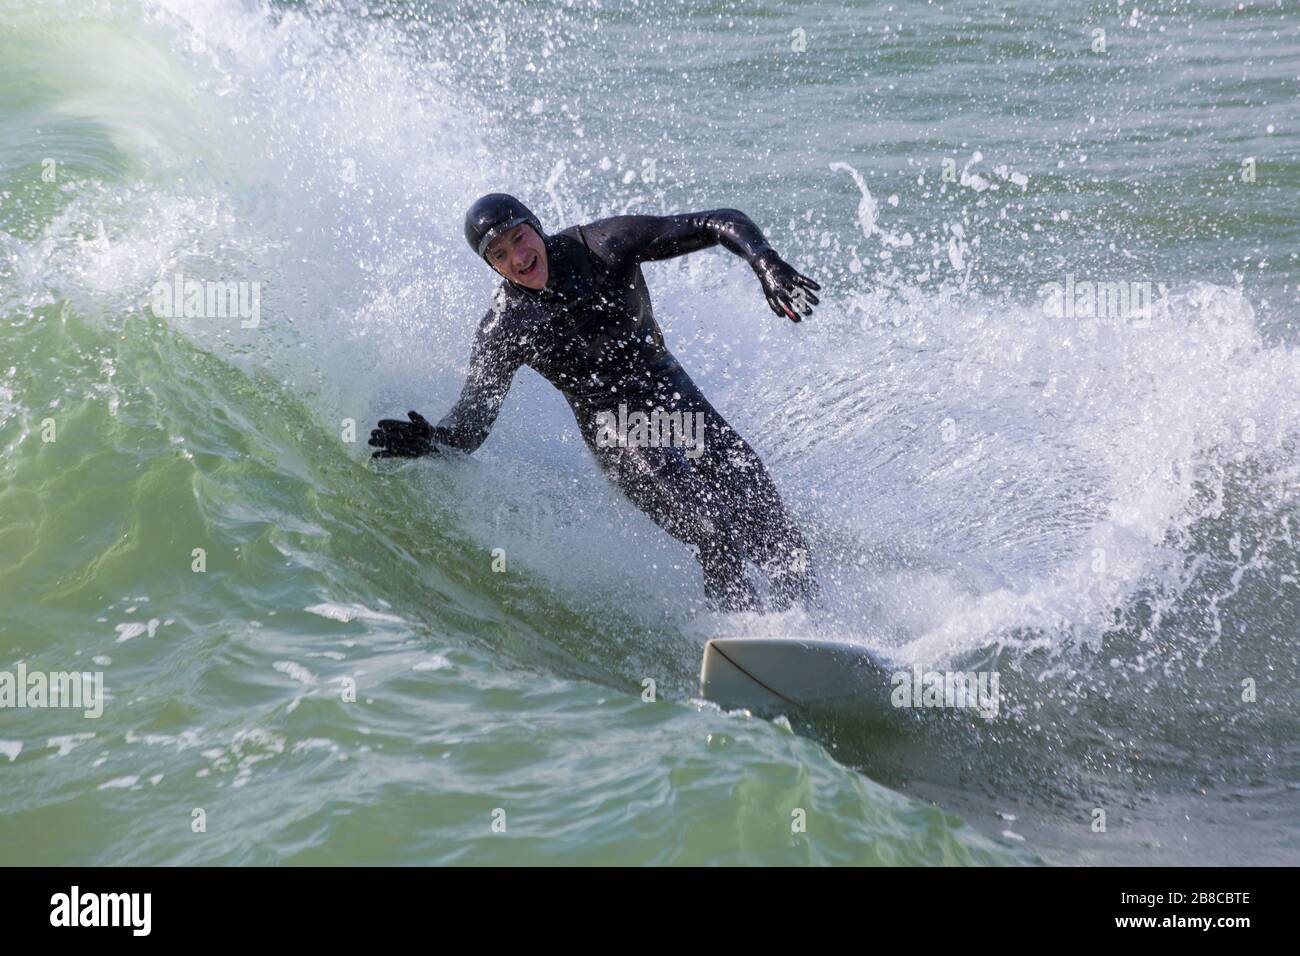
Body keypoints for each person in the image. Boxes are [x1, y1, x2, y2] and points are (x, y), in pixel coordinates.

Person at [370, 193, 820, 611]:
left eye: (519, 239)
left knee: (763, 511)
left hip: (668, 392)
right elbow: (471, 426)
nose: (519, 258)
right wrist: (433, 439)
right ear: (492, 266)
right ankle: (746, 631)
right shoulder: (505, 329)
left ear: (536, 226)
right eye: (500, 254)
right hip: (616, 428)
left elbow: (719, 222)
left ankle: (810, 620)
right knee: (711, 528)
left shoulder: (603, 246)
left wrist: (766, 263)